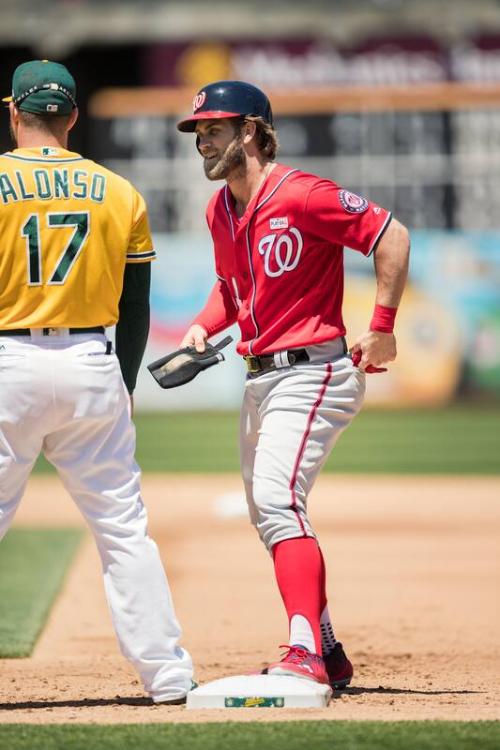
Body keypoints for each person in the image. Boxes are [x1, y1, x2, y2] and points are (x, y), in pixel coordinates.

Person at [177, 80, 410, 687]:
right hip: (260, 379)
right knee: (270, 516)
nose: (203, 140)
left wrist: (381, 326)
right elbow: (233, 289)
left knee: (279, 504)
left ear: (251, 131)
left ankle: (303, 651)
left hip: (314, 371)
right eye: (199, 131)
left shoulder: (303, 194)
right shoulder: (219, 208)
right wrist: (203, 326)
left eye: (215, 128)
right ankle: (327, 649)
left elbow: (391, 235)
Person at [0, 60, 193, 703]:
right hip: (91, 362)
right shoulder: (119, 191)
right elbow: (136, 305)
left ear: (13, 112)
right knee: (121, 527)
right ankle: (167, 676)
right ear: (74, 117)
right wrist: (123, 381)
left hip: (8, 363)